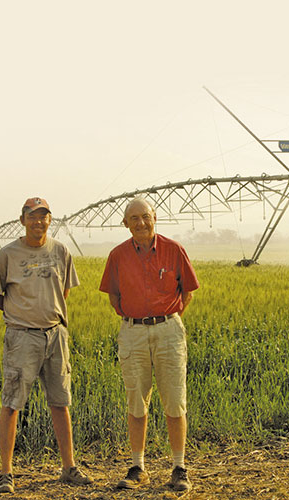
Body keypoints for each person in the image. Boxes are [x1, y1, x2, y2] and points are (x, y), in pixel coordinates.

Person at [0, 197, 92, 494]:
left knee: (61, 401)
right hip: (22, 337)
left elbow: (64, 290)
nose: (39, 221)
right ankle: (6, 473)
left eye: (44, 216)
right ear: (22, 220)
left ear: (50, 220)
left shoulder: (61, 251)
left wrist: (49, 315)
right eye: (33, 216)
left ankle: (69, 467)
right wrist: (23, 315)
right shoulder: (7, 255)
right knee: (12, 403)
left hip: (56, 335)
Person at [99, 198, 199, 492]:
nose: (140, 223)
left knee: (174, 400)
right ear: (125, 223)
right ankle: (138, 468)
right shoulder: (117, 255)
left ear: (155, 217)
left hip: (169, 330)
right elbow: (114, 297)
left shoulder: (174, 250)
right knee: (136, 401)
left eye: (145, 216)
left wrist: (166, 320)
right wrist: (137, 320)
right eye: (133, 218)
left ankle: (179, 468)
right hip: (133, 332)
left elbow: (187, 293)